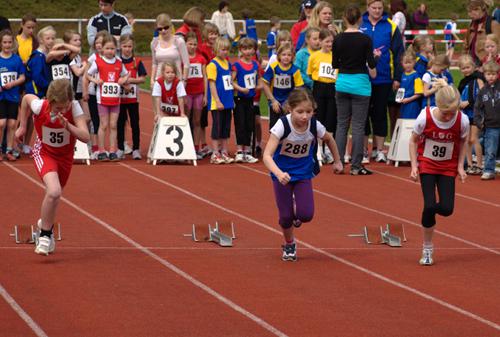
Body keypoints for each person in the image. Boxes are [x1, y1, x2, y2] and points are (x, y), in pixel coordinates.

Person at [263, 88, 343, 262]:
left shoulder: (315, 125)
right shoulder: (282, 125)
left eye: (309, 111)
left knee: (306, 214)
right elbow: (267, 155)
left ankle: (296, 208)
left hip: (303, 173)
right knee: (285, 217)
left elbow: (329, 139)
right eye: (300, 112)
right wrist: (278, 173)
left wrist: (337, 160)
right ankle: (289, 243)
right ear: (290, 109)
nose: (305, 116)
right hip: (282, 175)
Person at [15, 79, 90, 256]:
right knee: (54, 191)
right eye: (58, 108)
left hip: (65, 157)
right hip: (45, 153)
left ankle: (44, 224)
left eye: (65, 107)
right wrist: (23, 126)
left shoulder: (74, 108)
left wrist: (68, 125)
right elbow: (26, 98)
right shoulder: (41, 106)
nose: (62, 111)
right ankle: (46, 236)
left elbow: (85, 136)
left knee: (55, 196)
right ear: (51, 101)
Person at [409, 85, 469, 266]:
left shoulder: (462, 120)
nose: (449, 116)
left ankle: (428, 211)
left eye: (452, 112)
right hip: (427, 165)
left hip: (447, 167)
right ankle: (427, 248)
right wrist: (414, 166)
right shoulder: (424, 117)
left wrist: (460, 165)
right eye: (445, 113)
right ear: (437, 105)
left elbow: (464, 140)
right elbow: (413, 141)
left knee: (447, 209)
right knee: (429, 205)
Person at [333, 4, 379, 175]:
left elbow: (334, 64)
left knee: (342, 124)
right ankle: (356, 165)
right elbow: (371, 65)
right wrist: (374, 58)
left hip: (343, 83)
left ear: (344, 19)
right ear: (360, 19)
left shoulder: (338, 39)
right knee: (358, 126)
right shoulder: (366, 39)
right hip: (360, 84)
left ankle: (338, 163)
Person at [361, 0, 404, 164]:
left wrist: (397, 77)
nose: (377, 11)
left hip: (384, 77)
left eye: (380, 8)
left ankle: (379, 150)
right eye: (374, 8)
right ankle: (364, 149)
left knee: (379, 114)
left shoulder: (391, 26)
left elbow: (399, 52)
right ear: (368, 8)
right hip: (362, 78)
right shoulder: (360, 24)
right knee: (363, 115)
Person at [87, 34, 129, 161]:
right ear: (102, 49)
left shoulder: (119, 62)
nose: (110, 51)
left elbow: (126, 74)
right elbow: (88, 75)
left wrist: (122, 79)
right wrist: (96, 80)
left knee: (113, 125)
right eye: (107, 48)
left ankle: (112, 150)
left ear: (116, 49)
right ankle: (101, 151)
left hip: (115, 99)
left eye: (112, 49)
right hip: (102, 100)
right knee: (103, 125)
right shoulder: (98, 62)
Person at [23, 26, 55, 155]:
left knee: (35, 118)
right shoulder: (37, 56)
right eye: (48, 38)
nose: (51, 40)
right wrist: (49, 86)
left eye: (53, 38)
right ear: (41, 40)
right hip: (35, 91)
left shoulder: (46, 55)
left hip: (43, 90)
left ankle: (28, 143)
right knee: (30, 118)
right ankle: (24, 143)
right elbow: (37, 77)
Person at [307, 28, 337, 164]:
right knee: (319, 118)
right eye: (327, 41)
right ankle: (318, 150)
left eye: (331, 41)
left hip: (332, 88)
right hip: (319, 88)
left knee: (331, 119)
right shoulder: (314, 56)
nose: (330, 44)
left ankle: (329, 150)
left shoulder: (336, 55)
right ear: (320, 41)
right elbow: (310, 73)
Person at [232, 37, 261, 164]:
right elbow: (231, 81)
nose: (248, 51)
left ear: (254, 50)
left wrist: (256, 86)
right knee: (240, 124)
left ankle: (248, 151)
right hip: (239, 98)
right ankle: (239, 151)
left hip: (250, 99)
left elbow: (259, 80)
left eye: (250, 49)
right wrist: (241, 89)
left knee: (250, 124)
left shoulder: (255, 64)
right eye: (245, 49)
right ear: (240, 50)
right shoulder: (237, 65)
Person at [117, 34, 146, 160]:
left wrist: (130, 81)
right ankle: (120, 148)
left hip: (133, 99)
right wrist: (123, 82)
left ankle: (136, 149)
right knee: (120, 123)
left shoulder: (137, 62)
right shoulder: (117, 61)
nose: (127, 49)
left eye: (129, 46)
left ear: (133, 46)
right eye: (125, 46)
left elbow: (143, 78)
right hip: (119, 99)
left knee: (135, 123)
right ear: (120, 46)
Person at [206, 37, 235, 164]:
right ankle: (215, 153)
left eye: (227, 50)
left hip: (227, 101)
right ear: (216, 49)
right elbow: (212, 84)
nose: (225, 52)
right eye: (223, 49)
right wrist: (217, 100)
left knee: (226, 128)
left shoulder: (227, 64)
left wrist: (231, 99)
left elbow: (229, 82)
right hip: (217, 102)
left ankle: (224, 151)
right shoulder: (212, 65)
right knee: (217, 127)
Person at [263, 44, 304, 129]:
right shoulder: (273, 67)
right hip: (275, 102)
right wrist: (273, 101)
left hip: (288, 104)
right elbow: (265, 84)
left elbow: (299, 88)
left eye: (289, 55)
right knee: (274, 129)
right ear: (279, 56)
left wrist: (290, 102)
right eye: (284, 54)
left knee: (288, 128)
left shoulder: (295, 70)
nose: (286, 57)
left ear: (293, 56)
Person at [0, 30, 26, 161]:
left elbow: (22, 77)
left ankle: (9, 150)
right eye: (4, 42)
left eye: (9, 42)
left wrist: (13, 83)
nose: (7, 45)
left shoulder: (16, 59)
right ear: (1, 43)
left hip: (13, 96)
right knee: (1, 123)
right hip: (1, 97)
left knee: (11, 124)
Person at [82, 30, 108, 160]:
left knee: (104, 122)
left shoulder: (110, 57)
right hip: (93, 93)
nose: (98, 45)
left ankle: (102, 147)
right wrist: (85, 91)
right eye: (96, 43)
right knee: (95, 120)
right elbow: (86, 76)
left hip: (106, 95)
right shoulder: (93, 58)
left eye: (101, 42)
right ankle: (95, 147)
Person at [457, 55, 484, 175]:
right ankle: (469, 164)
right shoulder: (462, 82)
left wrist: (468, 102)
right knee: (466, 140)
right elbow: (459, 95)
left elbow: (482, 94)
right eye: (463, 68)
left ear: (473, 67)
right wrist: (459, 104)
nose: (466, 70)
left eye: (468, 67)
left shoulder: (478, 78)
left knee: (474, 139)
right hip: (465, 113)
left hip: (476, 112)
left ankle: (479, 164)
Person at [474, 61, 500, 180]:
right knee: (490, 149)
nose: (491, 76)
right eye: (488, 74)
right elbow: (478, 108)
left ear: (497, 74)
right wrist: (479, 122)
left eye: (493, 74)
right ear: (484, 75)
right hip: (490, 125)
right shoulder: (482, 91)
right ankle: (489, 170)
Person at [150, 14, 189, 92]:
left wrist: (183, 80)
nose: (163, 30)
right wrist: (152, 80)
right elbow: (154, 64)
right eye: (160, 29)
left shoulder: (179, 41)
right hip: (159, 82)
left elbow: (186, 63)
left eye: (166, 27)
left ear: (171, 26)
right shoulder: (154, 43)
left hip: (176, 81)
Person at [185, 31, 208, 159]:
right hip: (187, 93)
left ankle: (196, 147)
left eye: (194, 44)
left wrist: (205, 95)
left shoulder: (201, 59)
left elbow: (204, 77)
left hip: (198, 94)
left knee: (197, 121)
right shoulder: (183, 59)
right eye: (190, 44)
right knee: (186, 119)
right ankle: (186, 146)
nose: (192, 46)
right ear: (185, 44)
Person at [465, 0, 500, 66]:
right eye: (468, 11)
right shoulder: (471, 24)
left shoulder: (493, 24)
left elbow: (498, 47)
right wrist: (464, 61)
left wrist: (488, 65)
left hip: (487, 65)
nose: (469, 14)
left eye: (472, 11)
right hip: (471, 64)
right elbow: (466, 45)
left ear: (481, 10)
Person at [398, 50, 423, 119]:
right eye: (406, 63)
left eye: (410, 63)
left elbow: (419, 93)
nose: (408, 65)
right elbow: (402, 89)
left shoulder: (416, 76)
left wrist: (408, 99)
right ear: (402, 63)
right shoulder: (403, 74)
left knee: (410, 124)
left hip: (412, 105)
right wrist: (399, 98)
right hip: (404, 105)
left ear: (414, 63)